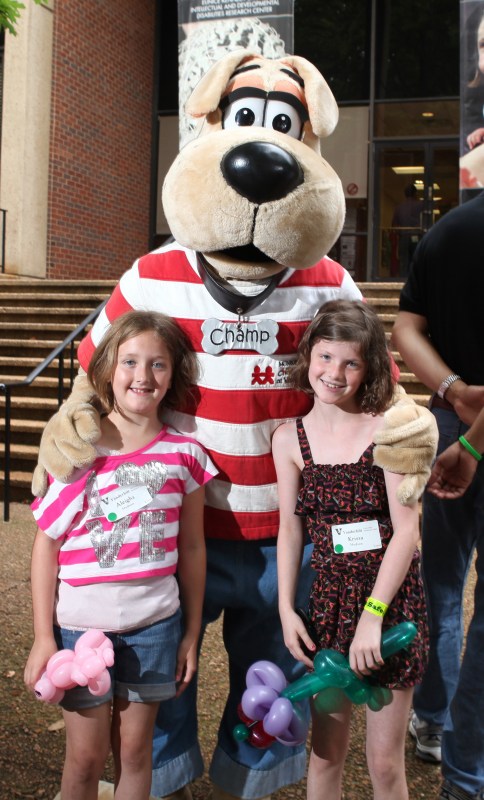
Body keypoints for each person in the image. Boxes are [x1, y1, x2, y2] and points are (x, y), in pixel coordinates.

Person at [24, 310, 218, 800]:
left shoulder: (185, 454)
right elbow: (46, 544)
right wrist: (43, 638)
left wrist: (191, 633)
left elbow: (193, 549)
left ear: (174, 374)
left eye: (158, 364)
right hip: (78, 629)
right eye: (130, 361)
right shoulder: (79, 451)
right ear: (108, 367)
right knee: (84, 760)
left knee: (135, 755)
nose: (143, 375)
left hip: (155, 628)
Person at [273, 299, 429, 800]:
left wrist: (374, 614)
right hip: (328, 609)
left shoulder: (390, 429)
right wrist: (284, 607)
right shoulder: (289, 439)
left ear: (371, 368)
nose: (334, 373)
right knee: (324, 757)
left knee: (384, 765)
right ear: (308, 356)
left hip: (390, 608)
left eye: (351, 362)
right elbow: (290, 529)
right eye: (325, 357)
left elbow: (407, 532)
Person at [392, 191, 484, 800]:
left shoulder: (449, 228)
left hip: (453, 424)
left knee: (440, 585)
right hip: (466, 436)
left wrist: (456, 395)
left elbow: (405, 325)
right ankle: (467, 771)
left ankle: (433, 720)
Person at [391, 184, 424, 277]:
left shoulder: (399, 207)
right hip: (417, 237)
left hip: (404, 237)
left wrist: (399, 234)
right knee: (417, 260)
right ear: (415, 193)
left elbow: (394, 225)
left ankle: (403, 281)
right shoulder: (421, 205)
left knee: (403, 262)